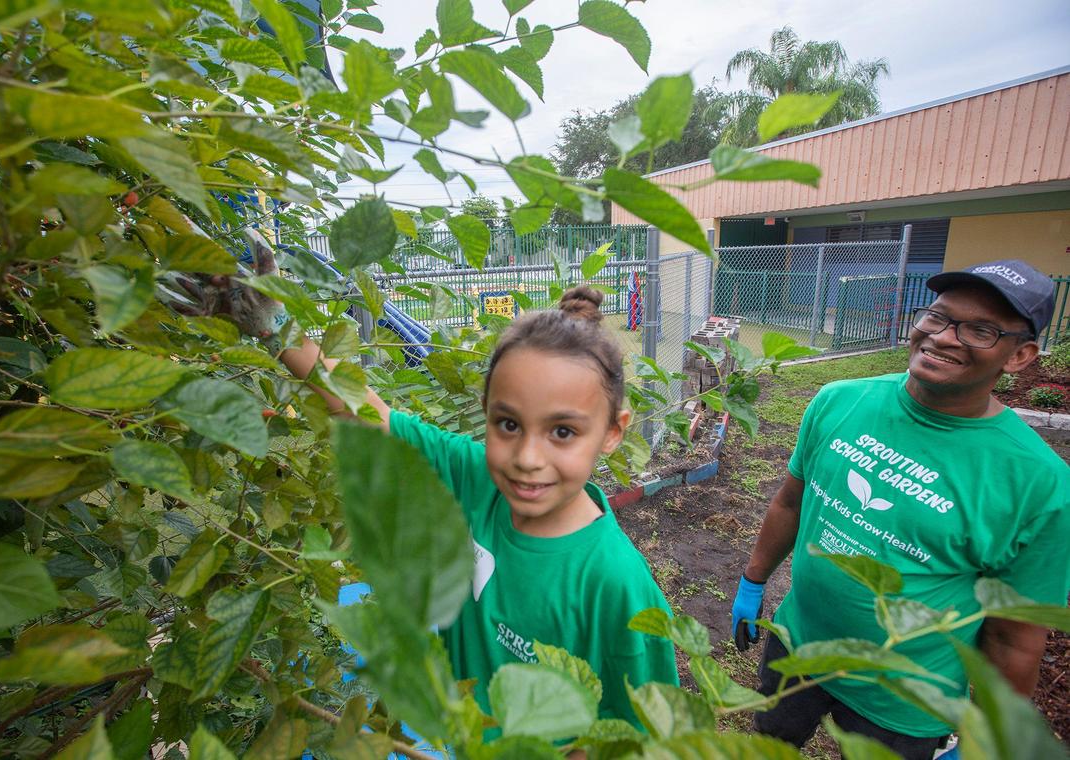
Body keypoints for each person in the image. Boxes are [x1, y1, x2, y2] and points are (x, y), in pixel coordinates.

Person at [172, 231, 679, 728]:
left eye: (562, 431)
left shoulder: (617, 586)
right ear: (485, 416)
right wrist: (276, 325)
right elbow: (364, 413)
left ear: (613, 432)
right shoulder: (475, 475)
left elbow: (646, 734)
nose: (527, 457)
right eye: (508, 424)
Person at [729, 258, 1070, 758]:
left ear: (1019, 355)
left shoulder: (1039, 483)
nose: (945, 337)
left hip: (904, 698)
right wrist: (753, 581)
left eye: (980, 330)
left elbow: (1014, 636)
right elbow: (791, 500)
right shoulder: (838, 400)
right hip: (798, 643)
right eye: (937, 317)